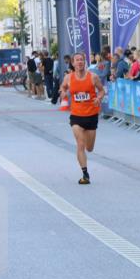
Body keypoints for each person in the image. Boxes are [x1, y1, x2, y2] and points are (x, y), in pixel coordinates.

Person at [59, 51, 106, 185]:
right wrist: (62, 92)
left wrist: (98, 97)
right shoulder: (68, 78)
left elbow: (102, 90)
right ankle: (85, 174)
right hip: (76, 116)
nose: (79, 62)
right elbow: (63, 87)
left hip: (91, 115)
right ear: (73, 63)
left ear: (84, 62)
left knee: (89, 148)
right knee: (80, 144)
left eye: (81, 60)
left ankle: (86, 152)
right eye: (77, 60)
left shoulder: (93, 77)